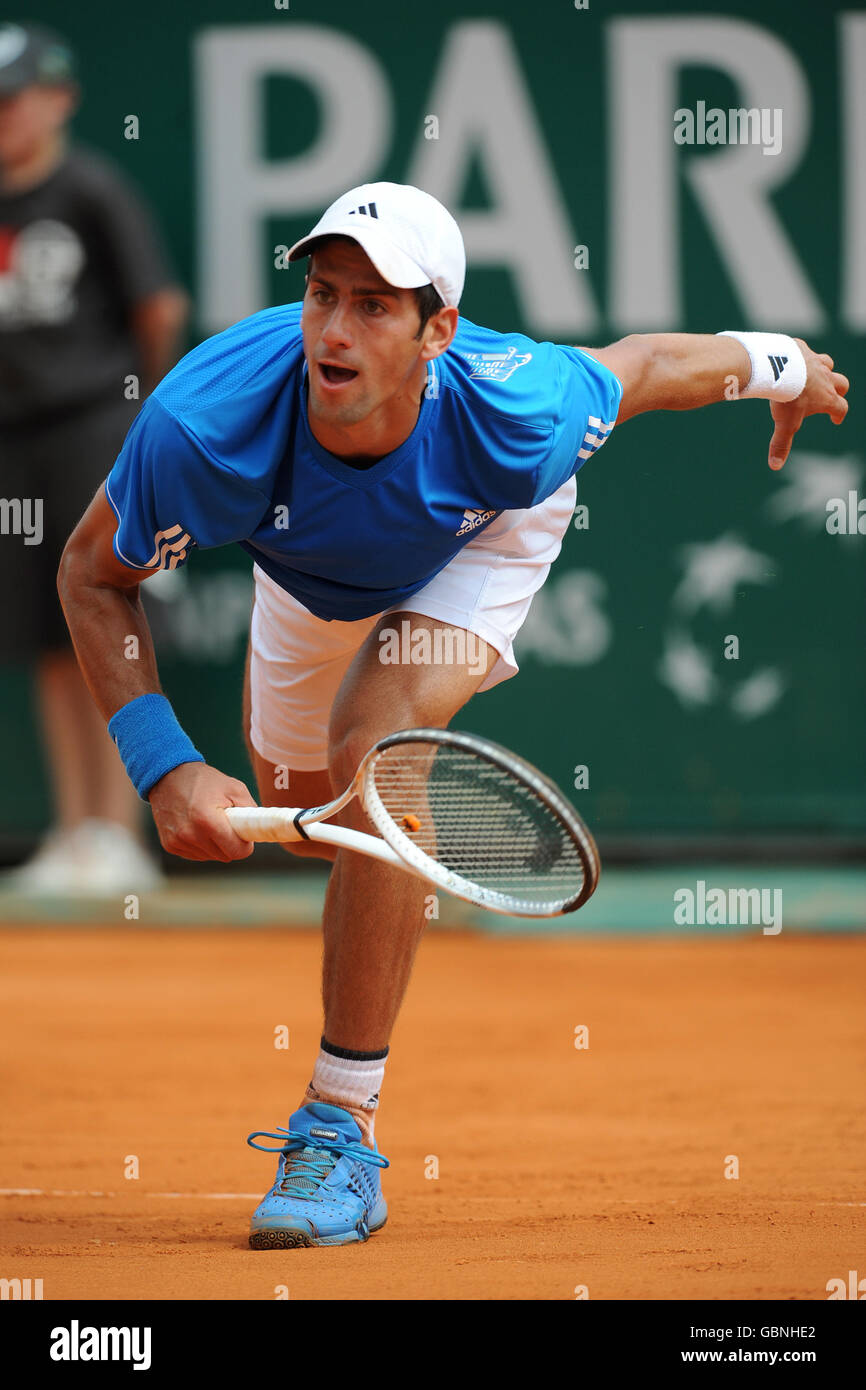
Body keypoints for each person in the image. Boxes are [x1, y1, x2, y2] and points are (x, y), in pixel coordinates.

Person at [58, 181, 848, 1248]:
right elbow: (88, 571)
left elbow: (650, 366)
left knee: (376, 763)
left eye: (374, 307)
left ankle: (337, 1123)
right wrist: (164, 767)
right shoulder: (206, 426)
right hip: (304, 577)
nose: (333, 329)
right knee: (317, 820)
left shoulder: (516, 409)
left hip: (480, 534)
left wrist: (784, 365)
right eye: (322, 294)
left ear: (438, 330)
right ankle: (386, 858)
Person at [0, 22, 188, 892]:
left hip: (93, 431)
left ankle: (118, 832)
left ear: (58, 100)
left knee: (101, 618)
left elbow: (158, 309)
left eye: (14, 98)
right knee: (42, 634)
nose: (4, 116)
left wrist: (144, 431)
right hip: (12, 442)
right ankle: (73, 831)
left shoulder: (92, 191)